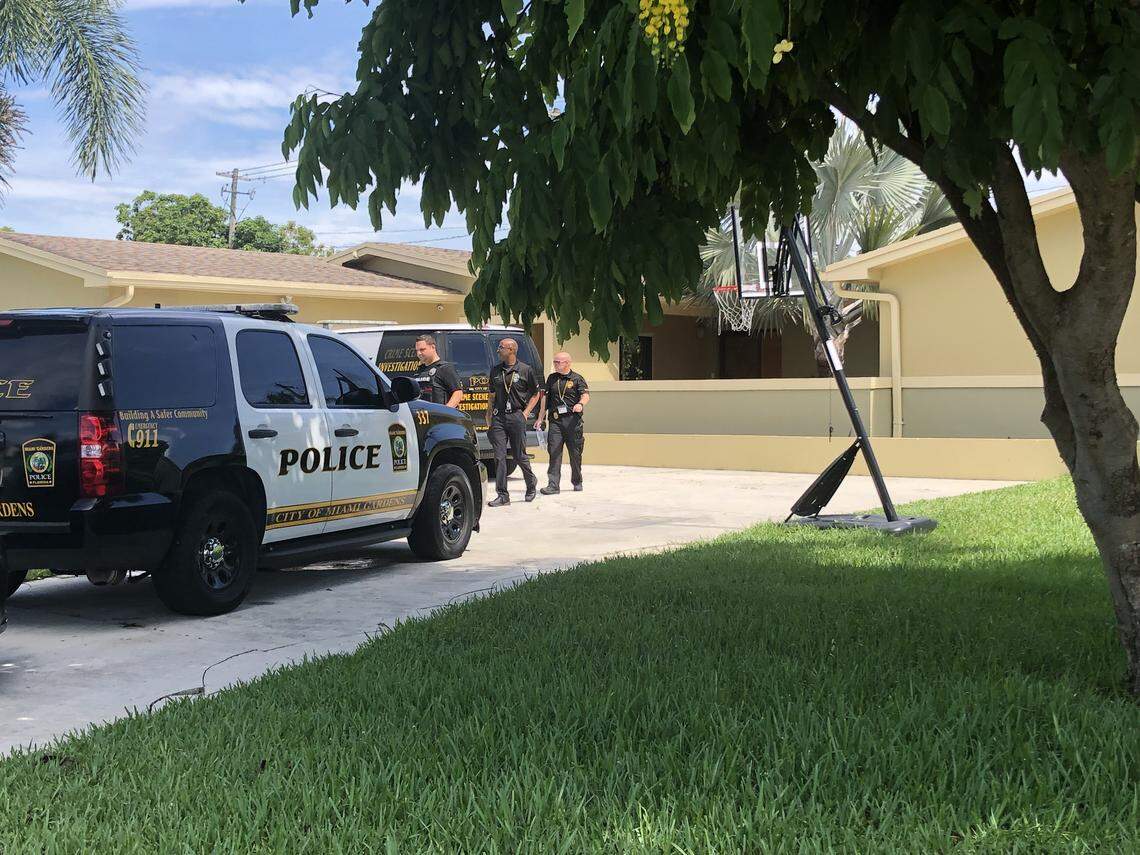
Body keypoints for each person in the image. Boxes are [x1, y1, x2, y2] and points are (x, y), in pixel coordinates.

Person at [486, 338, 539, 506]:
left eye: (500, 348)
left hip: (516, 416)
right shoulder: (495, 371)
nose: (498, 350)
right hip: (499, 417)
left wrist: (525, 413)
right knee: (499, 457)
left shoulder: (525, 370)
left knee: (519, 455)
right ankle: (502, 495)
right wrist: (489, 417)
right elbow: (491, 396)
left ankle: (531, 484)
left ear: (511, 350)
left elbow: (536, 394)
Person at [537, 351, 589, 494]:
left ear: (567, 363)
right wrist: (540, 417)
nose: (555, 365)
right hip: (556, 421)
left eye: (558, 362)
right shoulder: (552, 378)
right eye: (554, 362)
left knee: (575, 453)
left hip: (572, 421)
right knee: (554, 452)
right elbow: (545, 399)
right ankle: (553, 485)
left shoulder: (577, 378)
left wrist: (580, 404)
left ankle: (577, 481)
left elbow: (585, 395)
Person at [413, 334, 464, 408]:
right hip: (424, 416)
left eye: (422, 350)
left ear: (433, 347)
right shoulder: (420, 371)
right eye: (417, 350)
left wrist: (446, 412)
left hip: (440, 417)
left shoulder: (445, 368)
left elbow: (458, 393)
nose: (419, 353)